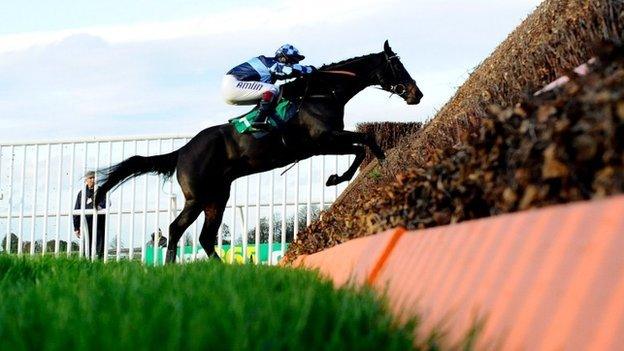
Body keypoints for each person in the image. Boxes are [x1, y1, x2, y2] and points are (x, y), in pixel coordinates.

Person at [221, 44, 316, 129]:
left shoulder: (270, 66)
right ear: (283, 58)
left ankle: (264, 119)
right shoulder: (268, 62)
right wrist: (310, 69)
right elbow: (287, 70)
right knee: (272, 89)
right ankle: (259, 119)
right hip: (233, 83)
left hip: (232, 89)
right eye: (292, 60)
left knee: (271, 96)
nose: (294, 63)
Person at [73, 170, 106, 259]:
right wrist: (76, 227)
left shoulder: (100, 191)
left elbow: (105, 203)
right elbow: (76, 210)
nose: (92, 180)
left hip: (99, 225)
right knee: (85, 249)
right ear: (86, 180)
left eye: (94, 178)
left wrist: (99, 206)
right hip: (86, 225)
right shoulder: (82, 193)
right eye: (90, 178)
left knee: (100, 250)